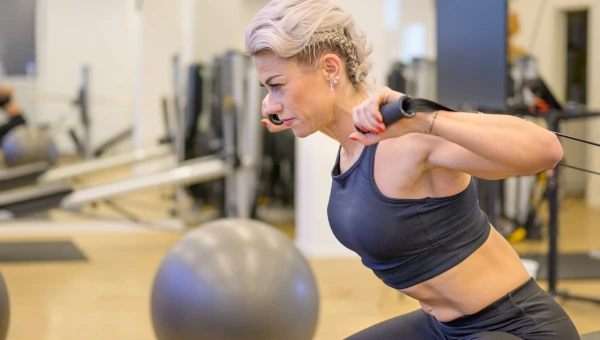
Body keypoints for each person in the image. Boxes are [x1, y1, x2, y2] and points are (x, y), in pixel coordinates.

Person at [245, 0, 580, 339]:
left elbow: (548, 149)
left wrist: (422, 118)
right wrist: (290, 109)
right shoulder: (351, 149)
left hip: (515, 327)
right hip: (444, 327)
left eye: (277, 85)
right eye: (266, 89)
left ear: (331, 68)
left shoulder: (406, 139)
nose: (269, 103)